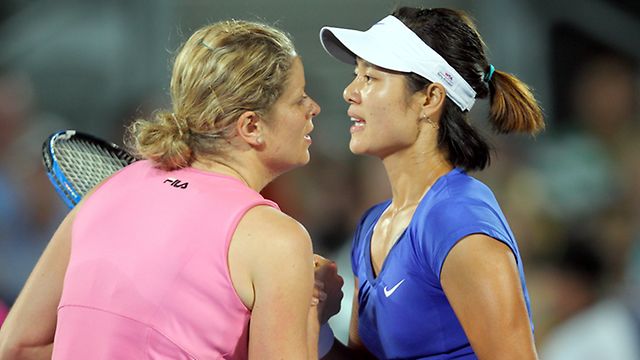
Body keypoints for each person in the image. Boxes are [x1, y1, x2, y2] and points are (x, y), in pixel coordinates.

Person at [0, 19, 342, 359]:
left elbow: (16, 347)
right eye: (298, 99)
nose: (314, 108)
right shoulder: (278, 242)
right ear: (251, 126)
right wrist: (310, 311)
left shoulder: (105, 192)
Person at [317, 7, 544, 359]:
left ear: (430, 98)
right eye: (355, 74)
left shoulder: (457, 218)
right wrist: (316, 325)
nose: (349, 91)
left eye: (371, 78)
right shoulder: (371, 227)